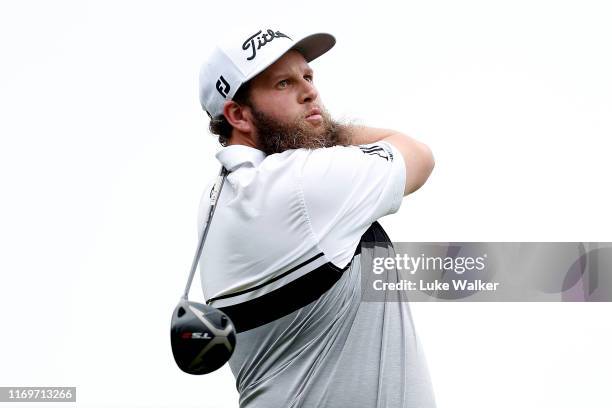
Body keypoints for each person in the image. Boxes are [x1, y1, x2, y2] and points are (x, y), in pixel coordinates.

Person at [197, 27, 437, 408]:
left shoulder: (222, 198)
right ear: (239, 115)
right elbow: (418, 155)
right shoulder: (297, 184)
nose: (310, 91)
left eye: (307, 76)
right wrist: (327, 131)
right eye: (283, 84)